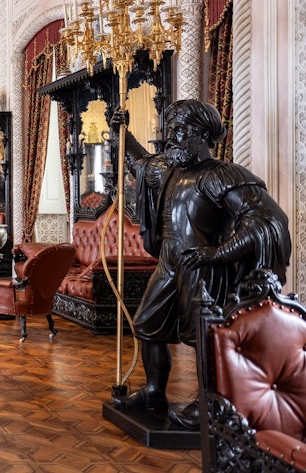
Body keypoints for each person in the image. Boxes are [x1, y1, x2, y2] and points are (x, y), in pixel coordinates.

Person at [111, 99, 290, 428]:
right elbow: (138, 161)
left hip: (203, 264)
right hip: (169, 261)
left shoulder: (222, 175)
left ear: (202, 135)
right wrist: (119, 132)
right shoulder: (167, 169)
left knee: (205, 336)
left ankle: (211, 403)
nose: (171, 138)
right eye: (170, 130)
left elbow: (266, 220)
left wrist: (219, 252)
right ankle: (153, 392)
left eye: (179, 131)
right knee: (147, 324)